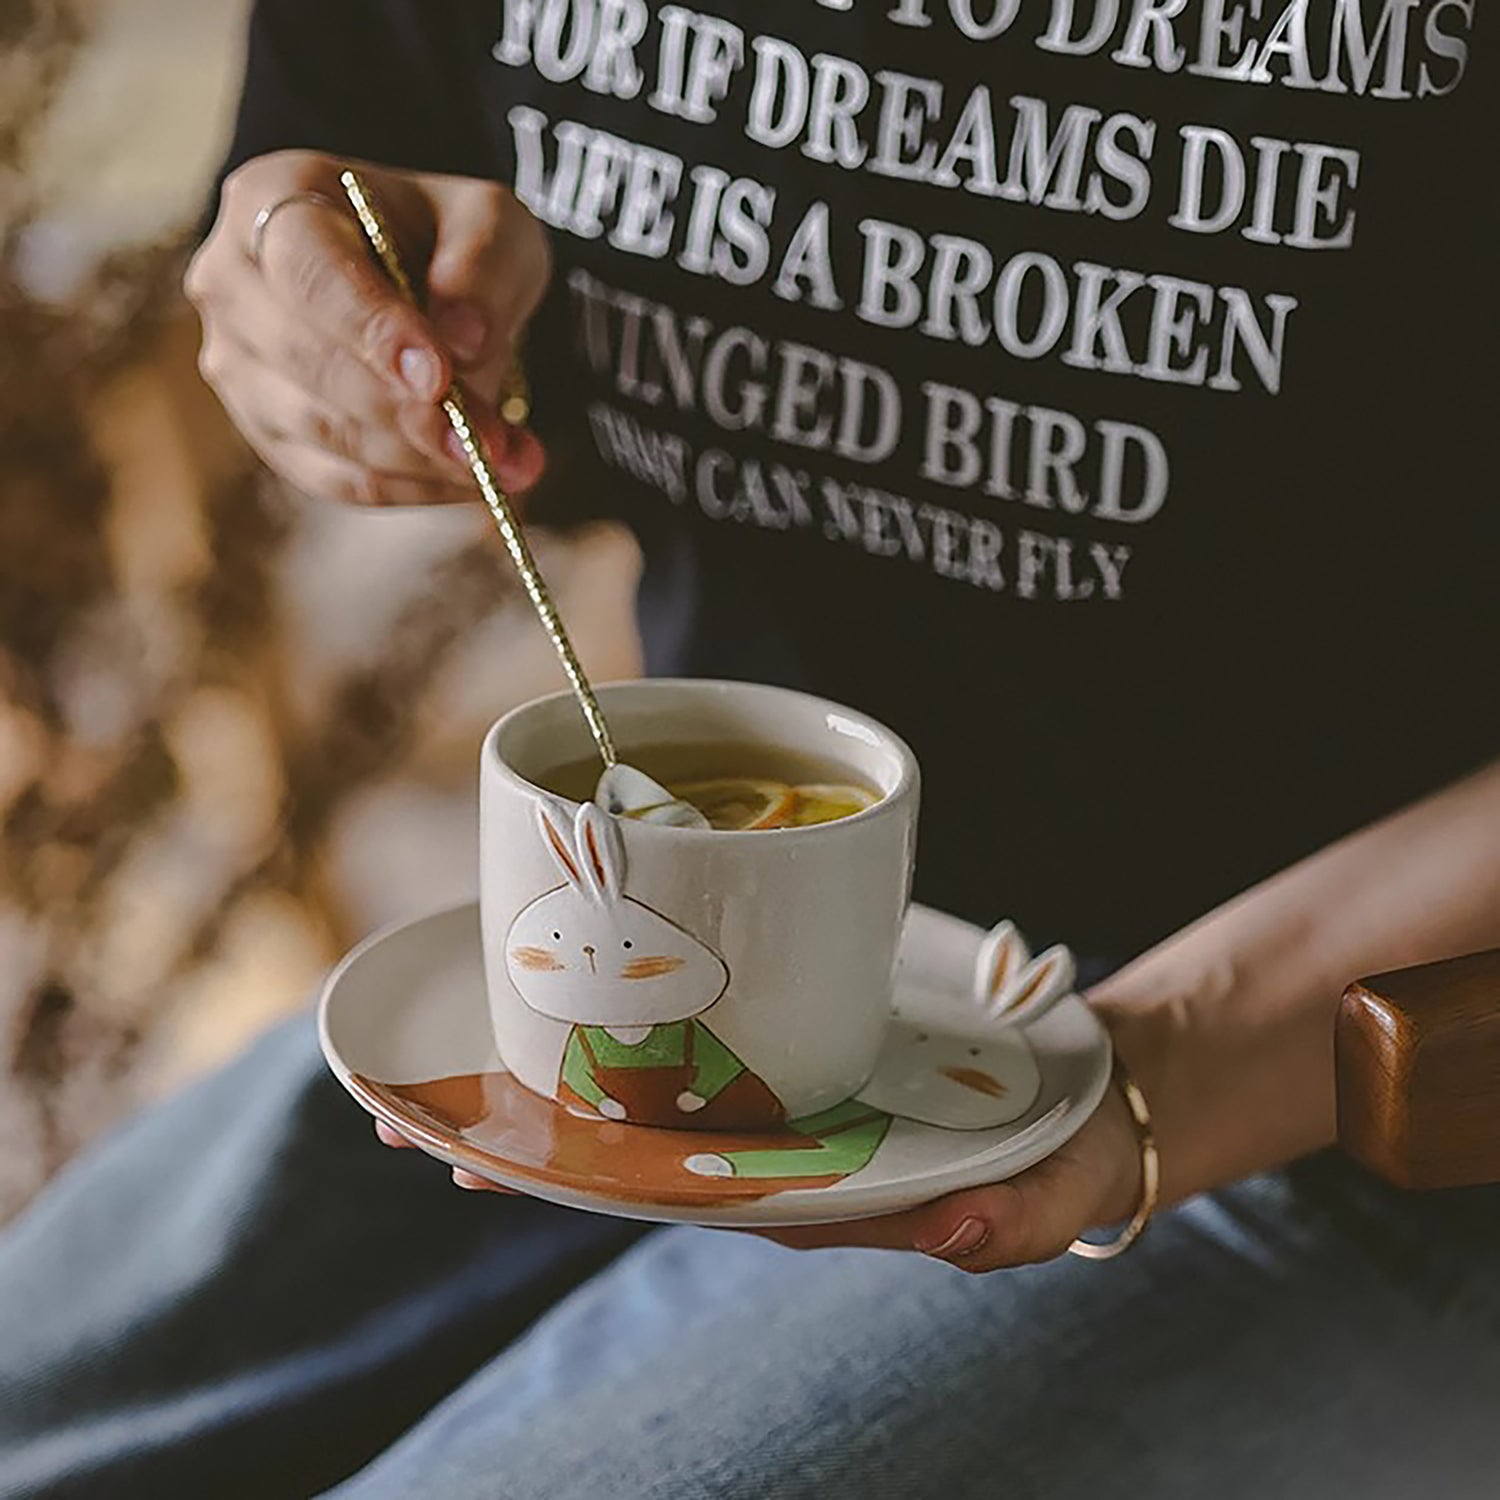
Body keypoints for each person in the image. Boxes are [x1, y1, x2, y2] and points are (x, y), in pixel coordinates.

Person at [3, 3, 1498, 1495]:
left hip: (1350, 1095)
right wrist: (306, 295)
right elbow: (332, 179)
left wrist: (1172, 1067)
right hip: (692, 959)